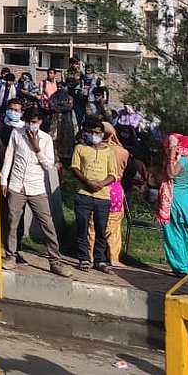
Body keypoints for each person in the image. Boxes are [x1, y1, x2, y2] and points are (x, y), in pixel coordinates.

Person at [1, 106, 67, 276]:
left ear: (41, 122)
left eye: (35, 122)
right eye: (29, 122)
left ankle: (55, 261)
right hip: (17, 184)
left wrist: (37, 148)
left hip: (36, 186)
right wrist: (3, 180)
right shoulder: (17, 133)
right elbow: (9, 157)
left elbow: (48, 165)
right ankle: (10, 255)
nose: (32, 125)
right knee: (11, 221)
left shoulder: (45, 139)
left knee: (47, 224)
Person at [71, 115, 117, 272]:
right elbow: (75, 168)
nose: (95, 135)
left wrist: (101, 184)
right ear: (86, 132)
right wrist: (87, 182)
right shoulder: (80, 148)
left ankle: (100, 259)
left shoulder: (109, 152)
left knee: (101, 229)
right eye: (92, 132)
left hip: (103, 196)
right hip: (84, 194)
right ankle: (83, 258)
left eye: (98, 133)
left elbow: (113, 174)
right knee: (82, 226)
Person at [158, 132, 188, 275]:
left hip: (176, 198)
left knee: (175, 233)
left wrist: (171, 157)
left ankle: (181, 267)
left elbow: (171, 173)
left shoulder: (183, 161)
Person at [88, 121, 130, 268]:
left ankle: (90, 254)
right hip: (116, 190)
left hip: (97, 187)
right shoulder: (122, 152)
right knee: (114, 225)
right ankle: (113, 257)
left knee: (93, 223)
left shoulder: (93, 149)